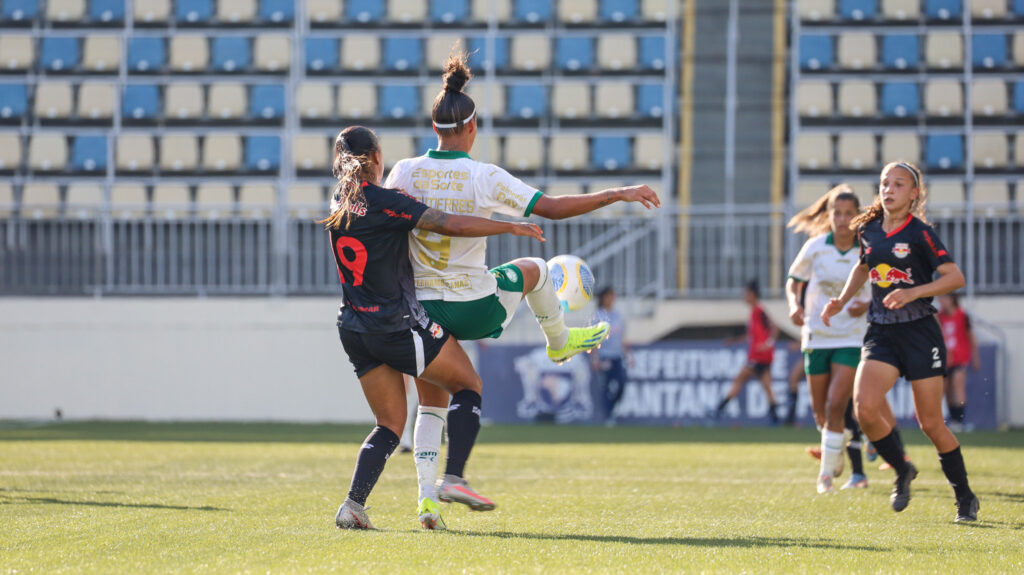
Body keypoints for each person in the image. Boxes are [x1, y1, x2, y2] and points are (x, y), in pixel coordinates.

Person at [383, 46, 661, 528]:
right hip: (472, 304)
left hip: (420, 310)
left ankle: (427, 500)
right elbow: (551, 208)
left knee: (431, 401)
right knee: (534, 265)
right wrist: (618, 192)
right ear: (472, 129)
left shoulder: (404, 171)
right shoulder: (484, 176)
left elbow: (388, 227)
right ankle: (559, 342)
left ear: (434, 128)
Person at [325, 126, 546, 530]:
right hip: (394, 326)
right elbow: (450, 225)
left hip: (354, 328)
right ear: (376, 159)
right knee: (467, 384)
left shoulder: (339, 199)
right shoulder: (388, 203)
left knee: (390, 425)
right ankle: (454, 477)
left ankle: (353, 506)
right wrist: (510, 227)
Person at [822, 161, 979, 522]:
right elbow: (864, 266)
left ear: (913, 194)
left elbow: (955, 277)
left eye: (898, 184)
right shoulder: (869, 230)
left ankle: (965, 497)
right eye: (884, 183)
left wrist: (913, 293)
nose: (889, 189)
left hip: (920, 333)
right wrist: (842, 300)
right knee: (864, 409)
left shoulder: (921, 233)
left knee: (931, 424)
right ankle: (902, 469)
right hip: (882, 332)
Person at [786, 185, 871, 493]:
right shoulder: (816, 246)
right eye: (837, 213)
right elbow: (794, 282)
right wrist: (794, 305)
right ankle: (835, 449)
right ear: (829, 215)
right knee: (822, 414)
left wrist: (870, 304)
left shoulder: (868, 248)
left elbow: (885, 285)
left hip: (851, 336)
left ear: (858, 215)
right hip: (817, 336)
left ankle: (824, 478)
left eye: (850, 213)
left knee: (838, 404)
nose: (843, 219)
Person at [716, 280, 780, 423]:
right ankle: (775, 416)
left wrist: (767, 344)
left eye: (746, 294)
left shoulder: (759, 310)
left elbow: (775, 327)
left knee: (739, 378)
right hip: (761, 356)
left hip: (759, 356)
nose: (744, 296)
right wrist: (733, 341)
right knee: (767, 385)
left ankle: (719, 409)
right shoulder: (754, 312)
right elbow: (751, 336)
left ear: (753, 294)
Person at [938, 293, 980, 432]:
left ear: (951, 299)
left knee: (958, 385)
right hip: (946, 360)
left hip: (960, 357)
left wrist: (975, 358)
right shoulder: (939, 316)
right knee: (947, 390)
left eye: (943, 297)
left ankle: (959, 420)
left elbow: (971, 338)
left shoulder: (962, 315)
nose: (941, 301)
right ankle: (953, 420)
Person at [591, 286, 632, 426]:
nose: (611, 299)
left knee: (621, 384)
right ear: (603, 298)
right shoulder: (598, 316)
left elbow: (622, 338)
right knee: (606, 387)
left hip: (617, 356)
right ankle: (608, 416)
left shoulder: (617, 316)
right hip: (605, 356)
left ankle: (611, 410)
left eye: (613, 296)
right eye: (609, 296)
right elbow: (593, 339)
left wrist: (629, 356)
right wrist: (595, 358)